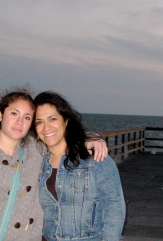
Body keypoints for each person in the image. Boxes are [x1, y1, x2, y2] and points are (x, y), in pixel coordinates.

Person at [0, 89, 108, 241]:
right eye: (14, 113)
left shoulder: (36, 148)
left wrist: (91, 138)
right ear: (0, 114)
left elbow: (61, 137)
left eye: (27, 117)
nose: (20, 122)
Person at [33, 91, 126, 241]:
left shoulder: (93, 158)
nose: (46, 127)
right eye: (39, 122)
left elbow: (115, 208)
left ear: (66, 121)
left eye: (52, 119)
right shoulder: (37, 161)